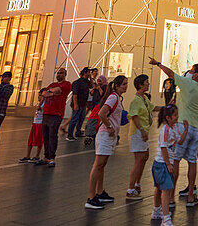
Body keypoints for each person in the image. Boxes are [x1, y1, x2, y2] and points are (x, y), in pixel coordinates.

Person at [150, 57, 198, 206]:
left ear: (195, 75)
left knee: (175, 161)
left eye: (191, 70)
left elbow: (170, 73)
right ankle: (190, 196)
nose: (189, 72)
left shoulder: (187, 83)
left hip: (183, 126)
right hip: (197, 128)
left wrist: (157, 63)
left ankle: (171, 197)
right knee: (192, 161)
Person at [85, 74, 127, 209]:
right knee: (98, 165)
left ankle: (100, 191)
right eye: (124, 84)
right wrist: (109, 127)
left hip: (109, 135)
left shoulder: (117, 98)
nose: (126, 86)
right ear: (117, 86)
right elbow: (102, 113)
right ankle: (91, 197)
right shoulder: (114, 97)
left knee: (102, 165)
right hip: (105, 134)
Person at [151, 104, 184, 226]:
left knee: (160, 189)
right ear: (168, 117)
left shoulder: (173, 128)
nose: (177, 117)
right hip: (161, 164)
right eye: (175, 115)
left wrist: (185, 130)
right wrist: (168, 164)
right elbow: (163, 147)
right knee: (166, 191)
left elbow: (180, 141)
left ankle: (156, 211)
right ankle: (165, 218)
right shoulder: (165, 130)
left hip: (164, 164)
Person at [126, 74, 157, 201]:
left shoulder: (144, 99)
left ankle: (137, 183)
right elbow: (134, 116)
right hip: (137, 133)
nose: (148, 84)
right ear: (140, 85)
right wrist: (142, 130)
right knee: (139, 160)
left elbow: (153, 108)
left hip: (143, 132)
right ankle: (130, 189)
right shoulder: (136, 101)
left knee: (144, 157)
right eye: (146, 82)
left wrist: (168, 108)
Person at [36, 68, 72, 167]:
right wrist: (51, 93)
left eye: (61, 73)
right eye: (58, 73)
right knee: (46, 136)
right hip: (46, 113)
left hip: (56, 114)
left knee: (52, 135)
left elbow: (57, 90)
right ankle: (46, 156)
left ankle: (52, 157)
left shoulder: (67, 84)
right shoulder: (52, 84)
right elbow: (43, 93)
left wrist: (50, 92)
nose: (59, 75)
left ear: (65, 74)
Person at [67, 67, 91, 141]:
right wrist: (75, 104)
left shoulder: (87, 82)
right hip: (78, 103)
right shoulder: (77, 82)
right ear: (84, 73)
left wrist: (90, 79)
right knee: (74, 119)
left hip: (83, 103)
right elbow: (75, 94)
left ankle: (78, 132)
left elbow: (93, 86)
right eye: (88, 72)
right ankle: (70, 135)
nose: (89, 74)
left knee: (81, 118)